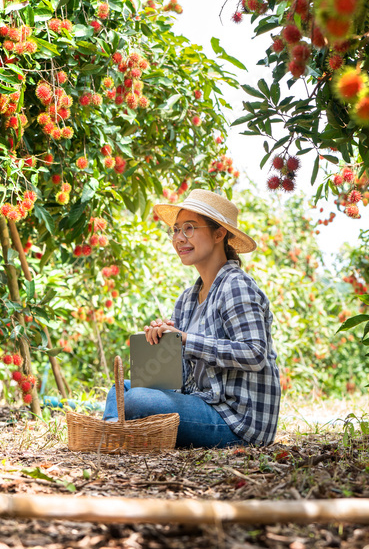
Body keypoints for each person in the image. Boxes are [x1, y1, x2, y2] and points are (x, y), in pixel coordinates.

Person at [103, 189, 281, 447]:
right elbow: (183, 378)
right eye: (175, 230)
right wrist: (164, 344)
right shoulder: (187, 299)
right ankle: (111, 435)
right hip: (202, 403)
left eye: (189, 228)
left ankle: (118, 434)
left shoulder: (236, 285)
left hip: (235, 421)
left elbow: (254, 353)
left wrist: (187, 340)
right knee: (122, 390)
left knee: (135, 401)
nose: (179, 238)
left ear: (219, 233)